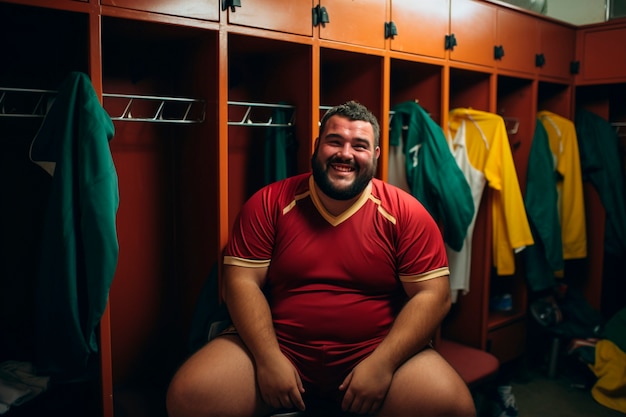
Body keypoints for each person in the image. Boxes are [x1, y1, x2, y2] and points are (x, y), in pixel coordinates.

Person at [166, 101, 476, 417]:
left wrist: (382, 365)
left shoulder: (406, 214)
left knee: (453, 408)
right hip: (280, 349)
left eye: (360, 145)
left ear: (377, 155)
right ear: (317, 147)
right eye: (334, 141)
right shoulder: (269, 203)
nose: (346, 153)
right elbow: (241, 283)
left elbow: (433, 295)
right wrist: (268, 359)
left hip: (374, 354)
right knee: (190, 396)